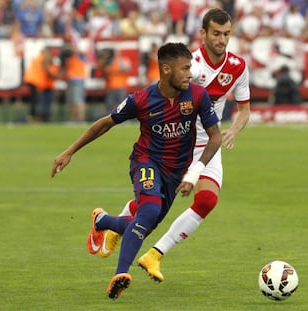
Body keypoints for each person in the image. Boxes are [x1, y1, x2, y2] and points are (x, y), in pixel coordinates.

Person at [51, 42, 222, 300]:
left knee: (142, 224)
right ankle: (121, 274)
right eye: (185, 68)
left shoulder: (197, 96)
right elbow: (104, 124)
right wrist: (70, 151)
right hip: (146, 162)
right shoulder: (141, 100)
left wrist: (193, 174)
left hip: (177, 173)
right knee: (149, 210)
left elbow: (215, 137)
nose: (191, 73)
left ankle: (102, 221)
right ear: (166, 70)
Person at [97, 8, 251, 284]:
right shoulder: (188, 65)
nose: (222, 40)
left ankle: (155, 254)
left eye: (226, 34)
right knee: (152, 207)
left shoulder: (238, 66)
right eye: (216, 33)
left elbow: (245, 109)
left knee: (207, 200)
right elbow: (160, 94)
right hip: (181, 142)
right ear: (203, 34)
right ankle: (115, 222)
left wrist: (234, 131)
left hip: (211, 143)